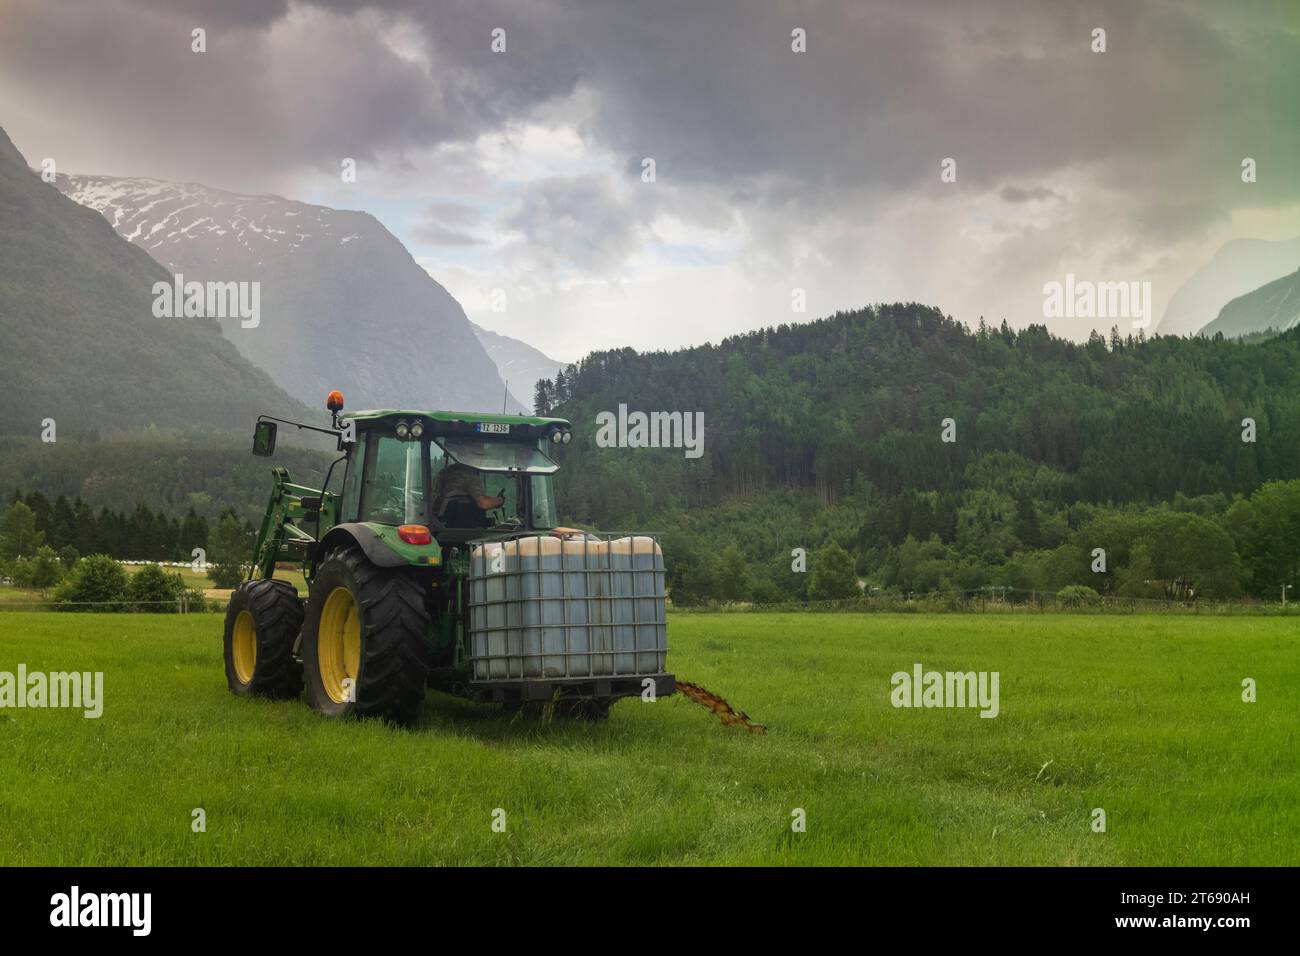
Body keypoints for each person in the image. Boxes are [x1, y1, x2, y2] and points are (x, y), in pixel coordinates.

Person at [433, 462, 504, 527]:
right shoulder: (470, 476)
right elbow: (483, 503)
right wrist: (500, 500)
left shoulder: (442, 474)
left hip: (441, 527)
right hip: (469, 531)